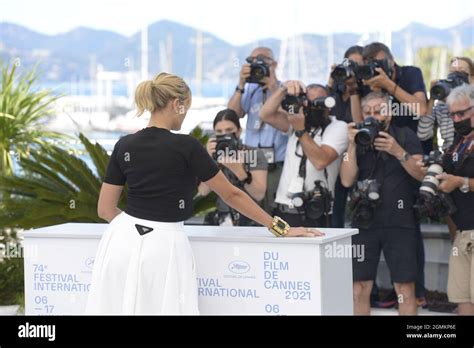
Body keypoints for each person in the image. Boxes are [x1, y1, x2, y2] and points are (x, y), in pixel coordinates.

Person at [85, 72, 322, 315]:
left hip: (119, 241)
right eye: (186, 107)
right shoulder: (186, 146)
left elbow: (105, 209)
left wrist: (135, 228)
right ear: (177, 104)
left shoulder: (124, 144)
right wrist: (281, 228)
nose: (185, 114)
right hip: (165, 244)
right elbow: (232, 195)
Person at [340, 91, 425, 315]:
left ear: (390, 115)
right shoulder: (359, 140)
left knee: (405, 289)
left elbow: (421, 175)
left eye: (379, 111)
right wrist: (350, 146)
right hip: (364, 222)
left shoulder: (405, 136)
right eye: (368, 112)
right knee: (358, 288)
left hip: (400, 222)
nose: (373, 116)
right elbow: (347, 179)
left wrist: (398, 151)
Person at [260, 81, 348, 227]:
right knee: (282, 249)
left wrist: (300, 130)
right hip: (285, 206)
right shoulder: (296, 122)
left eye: (318, 102)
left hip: (316, 209)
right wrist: (283, 88)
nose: (312, 107)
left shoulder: (338, 127)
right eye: (308, 101)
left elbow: (320, 161)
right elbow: (265, 114)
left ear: (329, 106)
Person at [430, 84, 474, 315]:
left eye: (462, 113)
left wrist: (461, 182)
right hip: (462, 232)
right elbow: (442, 174)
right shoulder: (458, 141)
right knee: (462, 300)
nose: (457, 119)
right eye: (452, 115)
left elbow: (457, 180)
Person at [227, 47, 288, 213]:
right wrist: (241, 84)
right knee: (252, 209)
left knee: (275, 210)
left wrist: (273, 87)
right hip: (252, 160)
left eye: (261, 59)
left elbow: (288, 120)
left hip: (276, 163)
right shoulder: (249, 90)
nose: (255, 64)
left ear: (273, 64)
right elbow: (232, 115)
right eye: (251, 60)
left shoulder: (283, 90)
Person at [198, 109, 268, 226]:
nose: (224, 135)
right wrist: (209, 160)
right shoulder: (214, 156)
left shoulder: (252, 153)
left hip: (251, 219)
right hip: (222, 218)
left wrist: (240, 171)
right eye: (219, 132)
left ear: (239, 131)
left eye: (229, 130)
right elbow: (203, 191)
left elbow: (259, 194)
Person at [327, 45, 364, 228]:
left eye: (358, 65)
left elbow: (359, 122)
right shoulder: (335, 92)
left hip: (356, 155)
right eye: (349, 64)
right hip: (333, 157)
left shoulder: (364, 90)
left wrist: (354, 89)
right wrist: (332, 80)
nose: (352, 69)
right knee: (336, 207)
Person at [418, 57, 474, 151]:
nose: (456, 76)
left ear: (472, 78)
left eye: (461, 72)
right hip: (449, 156)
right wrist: (433, 97)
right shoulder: (443, 107)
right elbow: (423, 134)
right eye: (452, 72)